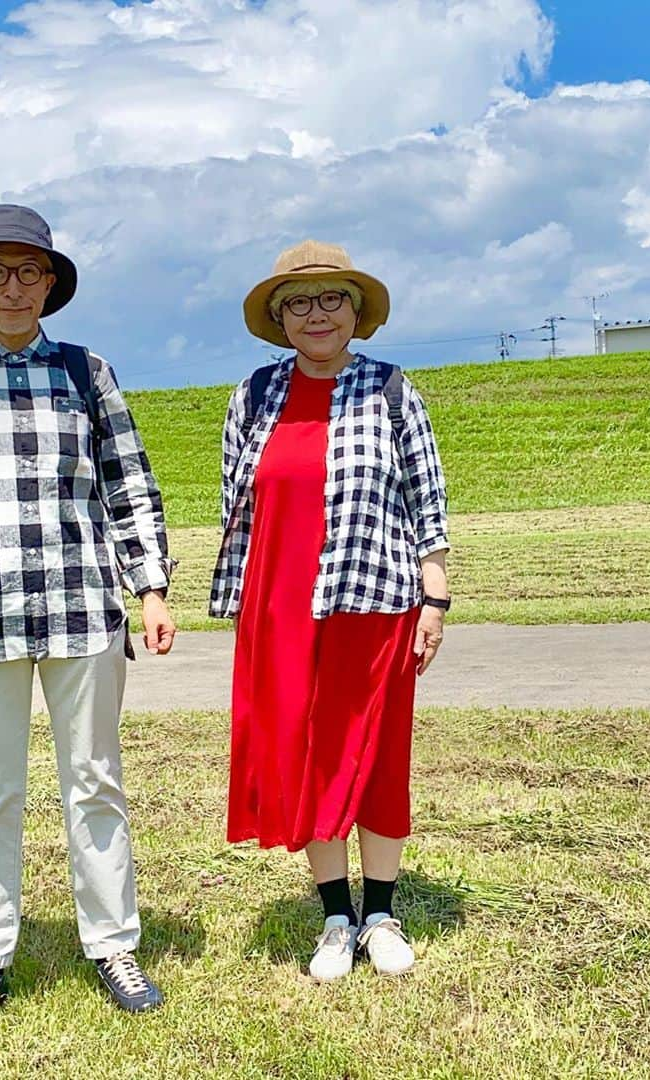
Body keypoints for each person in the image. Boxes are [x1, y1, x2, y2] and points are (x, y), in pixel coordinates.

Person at [0, 204, 177, 1035]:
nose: (14, 288)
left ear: (52, 283)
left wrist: (150, 589)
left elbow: (130, 488)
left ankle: (113, 945)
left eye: (31, 272)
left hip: (86, 611)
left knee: (95, 784)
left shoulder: (90, 373)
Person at [210, 241, 450, 981]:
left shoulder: (391, 391)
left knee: (377, 757)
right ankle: (335, 917)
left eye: (331, 299)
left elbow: (428, 503)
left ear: (356, 311)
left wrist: (433, 596)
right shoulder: (253, 396)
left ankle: (382, 912)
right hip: (280, 611)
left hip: (375, 601)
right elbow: (237, 508)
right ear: (279, 318)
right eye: (298, 303)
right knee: (304, 759)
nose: (316, 315)